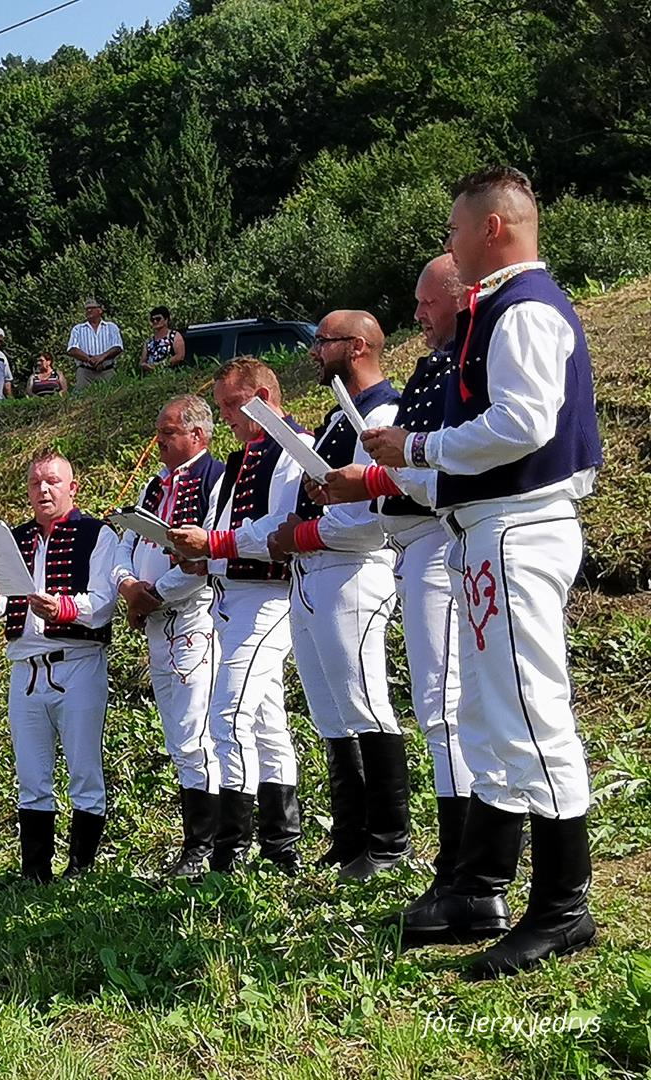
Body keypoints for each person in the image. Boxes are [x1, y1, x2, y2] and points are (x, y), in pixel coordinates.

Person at [362, 166, 602, 978]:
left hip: (519, 530)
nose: (449, 244)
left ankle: (563, 906)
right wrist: (407, 469)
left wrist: (420, 447)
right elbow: (490, 445)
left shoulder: (524, 308)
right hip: (488, 528)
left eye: (455, 229)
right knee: (494, 716)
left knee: (533, 713)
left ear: (493, 227)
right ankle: (481, 885)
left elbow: (524, 425)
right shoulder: (500, 310)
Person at [312, 254, 473, 905]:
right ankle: (461, 856)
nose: (418, 315)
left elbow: (455, 456)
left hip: (437, 539)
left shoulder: (466, 363)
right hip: (410, 542)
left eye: (426, 302)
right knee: (432, 706)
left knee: (444, 707)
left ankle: (461, 861)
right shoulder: (435, 367)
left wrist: (371, 478)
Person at [267, 310, 412, 882]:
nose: (312, 352)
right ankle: (350, 834)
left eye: (322, 342)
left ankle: (388, 838)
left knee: (364, 701)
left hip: (353, 569)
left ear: (355, 347)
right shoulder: (336, 413)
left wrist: (301, 532)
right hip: (314, 570)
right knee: (330, 711)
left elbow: (374, 518)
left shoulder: (382, 413)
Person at [167, 358, 304, 873]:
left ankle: (230, 847)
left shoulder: (291, 448)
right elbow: (222, 526)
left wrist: (216, 543)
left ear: (263, 399)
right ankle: (280, 844)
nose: (225, 415)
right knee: (268, 722)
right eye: (222, 405)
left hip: (267, 596)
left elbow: (278, 526)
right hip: (231, 597)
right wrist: (199, 551)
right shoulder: (244, 457)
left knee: (228, 714)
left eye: (231, 404)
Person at [0, 449, 119, 882]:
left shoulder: (96, 534)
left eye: (53, 481)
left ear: (73, 487)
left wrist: (65, 608)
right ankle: (35, 870)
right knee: (31, 774)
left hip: (77, 662)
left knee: (84, 770)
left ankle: (81, 865)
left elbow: (104, 602)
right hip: (27, 669)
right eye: (36, 483)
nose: (44, 490)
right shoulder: (13, 540)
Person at [113, 395, 229, 879]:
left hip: (193, 616)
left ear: (197, 435)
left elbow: (206, 559)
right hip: (156, 617)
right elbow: (126, 541)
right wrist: (126, 584)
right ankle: (199, 841)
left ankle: (206, 844)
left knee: (194, 730)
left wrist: (154, 593)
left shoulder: (215, 478)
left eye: (167, 433)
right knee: (179, 733)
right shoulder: (155, 483)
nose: (157, 442)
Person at [67, 298, 124, 388]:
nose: (89, 310)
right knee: (81, 399)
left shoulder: (111, 327)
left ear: (100, 310)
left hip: (107, 370)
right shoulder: (78, 329)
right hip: (85, 372)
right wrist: (89, 359)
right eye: (87, 309)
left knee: (112, 397)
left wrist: (102, 357)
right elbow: (72, 349)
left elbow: (118, 347)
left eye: (92, 308)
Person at [140, 307, 187, 374]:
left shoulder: (174, 336)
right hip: (151, 378)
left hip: (171, 374)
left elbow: (180, 356)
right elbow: (142, 362)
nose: (155, 321)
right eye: (152, 320)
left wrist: (161, 365)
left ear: (166, 320)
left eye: (158, 319)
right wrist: (146, 366)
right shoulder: (148, 342)